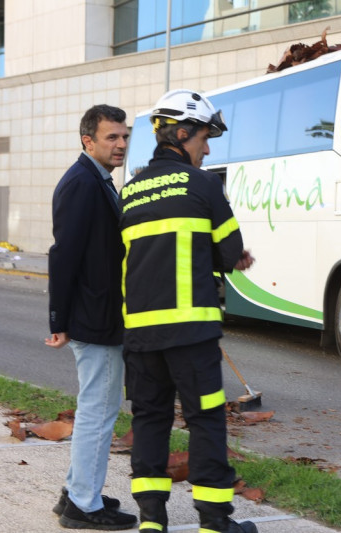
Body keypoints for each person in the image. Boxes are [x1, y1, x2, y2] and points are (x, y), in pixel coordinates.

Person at [119, 89, 256, 533]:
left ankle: (152, 523)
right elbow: (230, 251)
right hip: (191, 332)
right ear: (181, 134)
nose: (208, 148)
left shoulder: (131, 191)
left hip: (140, 335)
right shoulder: (203, 185)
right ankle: (215, 523)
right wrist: (223, 257)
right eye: (204, 138)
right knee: (206, 421)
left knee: (150, 420)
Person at [46, 104, 138, 530]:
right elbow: (64, 254)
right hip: (95, 320)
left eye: (124, 136)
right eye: (111, 138)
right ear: (88, 141)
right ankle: (84, 504)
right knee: (98, 413)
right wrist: (58, 320)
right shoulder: (83, 183)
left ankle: (75, 493)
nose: (121, 144)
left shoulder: (98, 180)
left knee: (95, 410)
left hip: (99, 316)